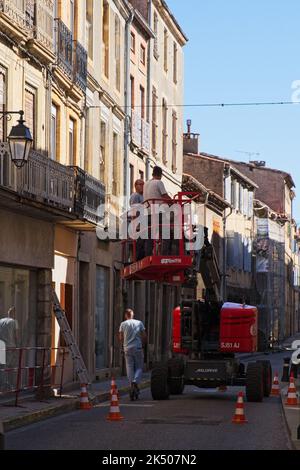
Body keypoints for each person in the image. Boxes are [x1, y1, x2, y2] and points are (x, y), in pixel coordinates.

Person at [143, 166, 174, 256]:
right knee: (166, 232)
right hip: (158, 212)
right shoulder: (159, 182)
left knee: (149, 236)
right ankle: (164, 254)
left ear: (153, 173)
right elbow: (165, 196)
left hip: (147, 213)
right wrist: (173, 202)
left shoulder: (146, 184)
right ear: (160, 175)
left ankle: (147, 255)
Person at [118, 309, 147, 400]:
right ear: (132, 314)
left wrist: (123, 345)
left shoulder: (123, 324)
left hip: (127, 348)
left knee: (129, 367)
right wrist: (143, 345)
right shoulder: (139, 323)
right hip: (137, 347)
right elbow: (144, 335)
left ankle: (131, 384)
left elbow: (120, 337)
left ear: (125, 315)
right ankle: (135, 381)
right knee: (139, 367)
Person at [128, 180, 145, 261]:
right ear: (136, 186)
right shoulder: (135, 196)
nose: (142, 186)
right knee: (139, 244)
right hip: (138, 225)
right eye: (140, 184)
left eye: (143, 184)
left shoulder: (143, 196)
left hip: (142, 224)